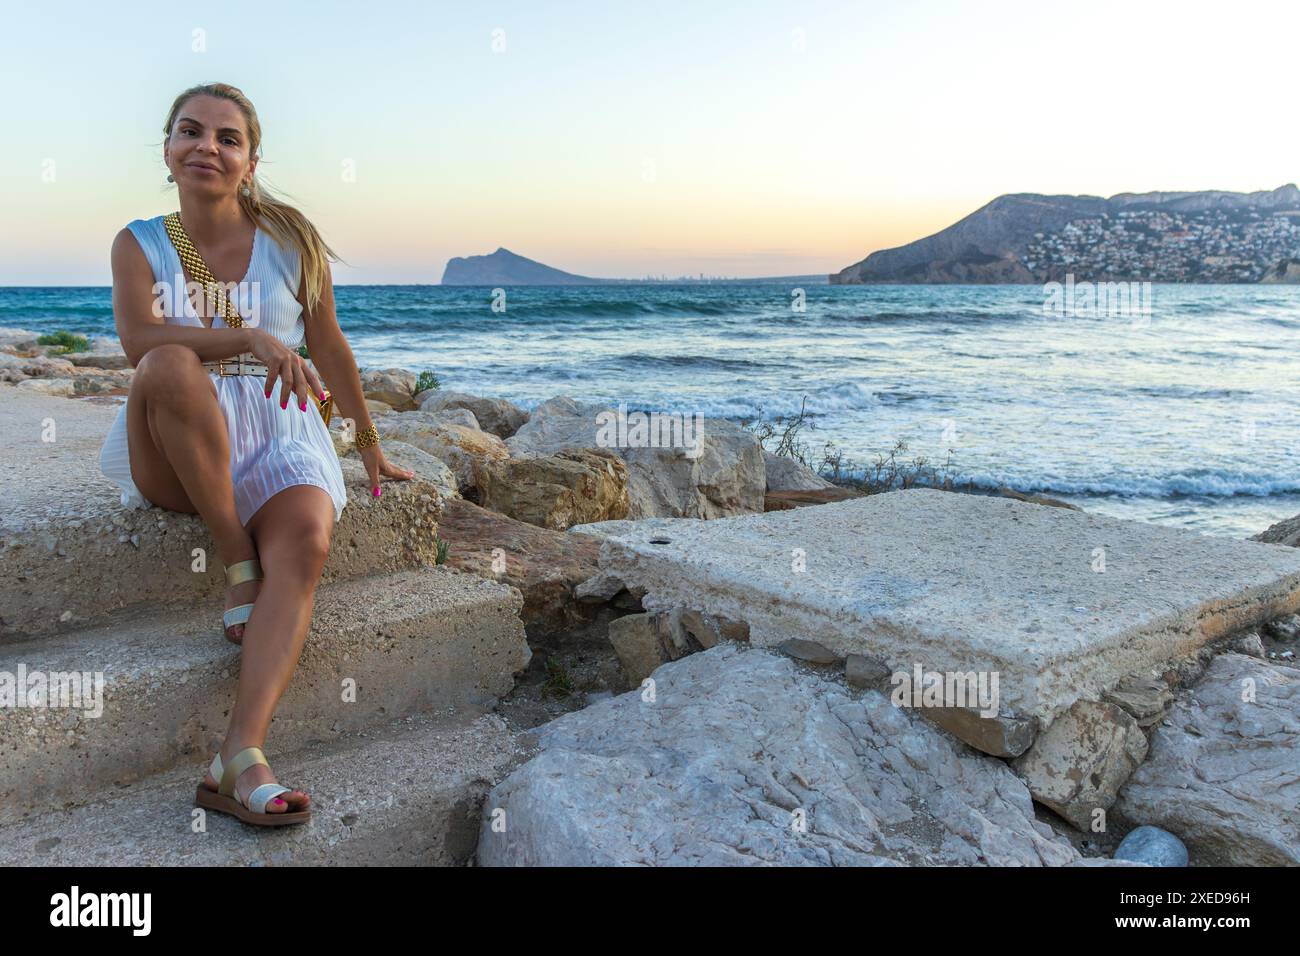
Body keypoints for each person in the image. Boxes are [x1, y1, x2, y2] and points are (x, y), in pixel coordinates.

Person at [99, 81, 414, 825]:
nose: (207, 145)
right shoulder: (140, 243)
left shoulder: (290, 238)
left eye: (228, 137)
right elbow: (140, 344)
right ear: (169, 151)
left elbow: (328, 344)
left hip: (280, 431)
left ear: (250, 159)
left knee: (306, 540)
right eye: (190, 131)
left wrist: (367, 443)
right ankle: (238, 559)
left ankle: (239, 757)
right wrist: (245, 337)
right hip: (179, 443)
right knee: (170, 364)